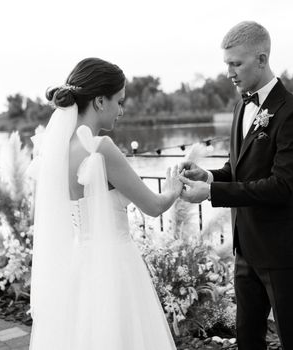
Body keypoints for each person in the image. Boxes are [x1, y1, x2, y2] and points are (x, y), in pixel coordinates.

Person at [179, 21, 293, 350]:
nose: (229, 72)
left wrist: (212, 194)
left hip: (282, 251)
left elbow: (281, 186)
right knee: (248, 338)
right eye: (227, 63)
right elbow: (238, 168)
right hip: (246, 247)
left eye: (236, 64)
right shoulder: (242, 105)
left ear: (261, 58)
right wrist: (209, 177)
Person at [28, 57, 181, 350]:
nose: (121, 111)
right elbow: (153, 205)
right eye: (119, 101)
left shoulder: (57, 150)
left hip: (80, 265)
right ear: (100, 101)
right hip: (115, 265)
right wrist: (173, 189)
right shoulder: (100, 148)